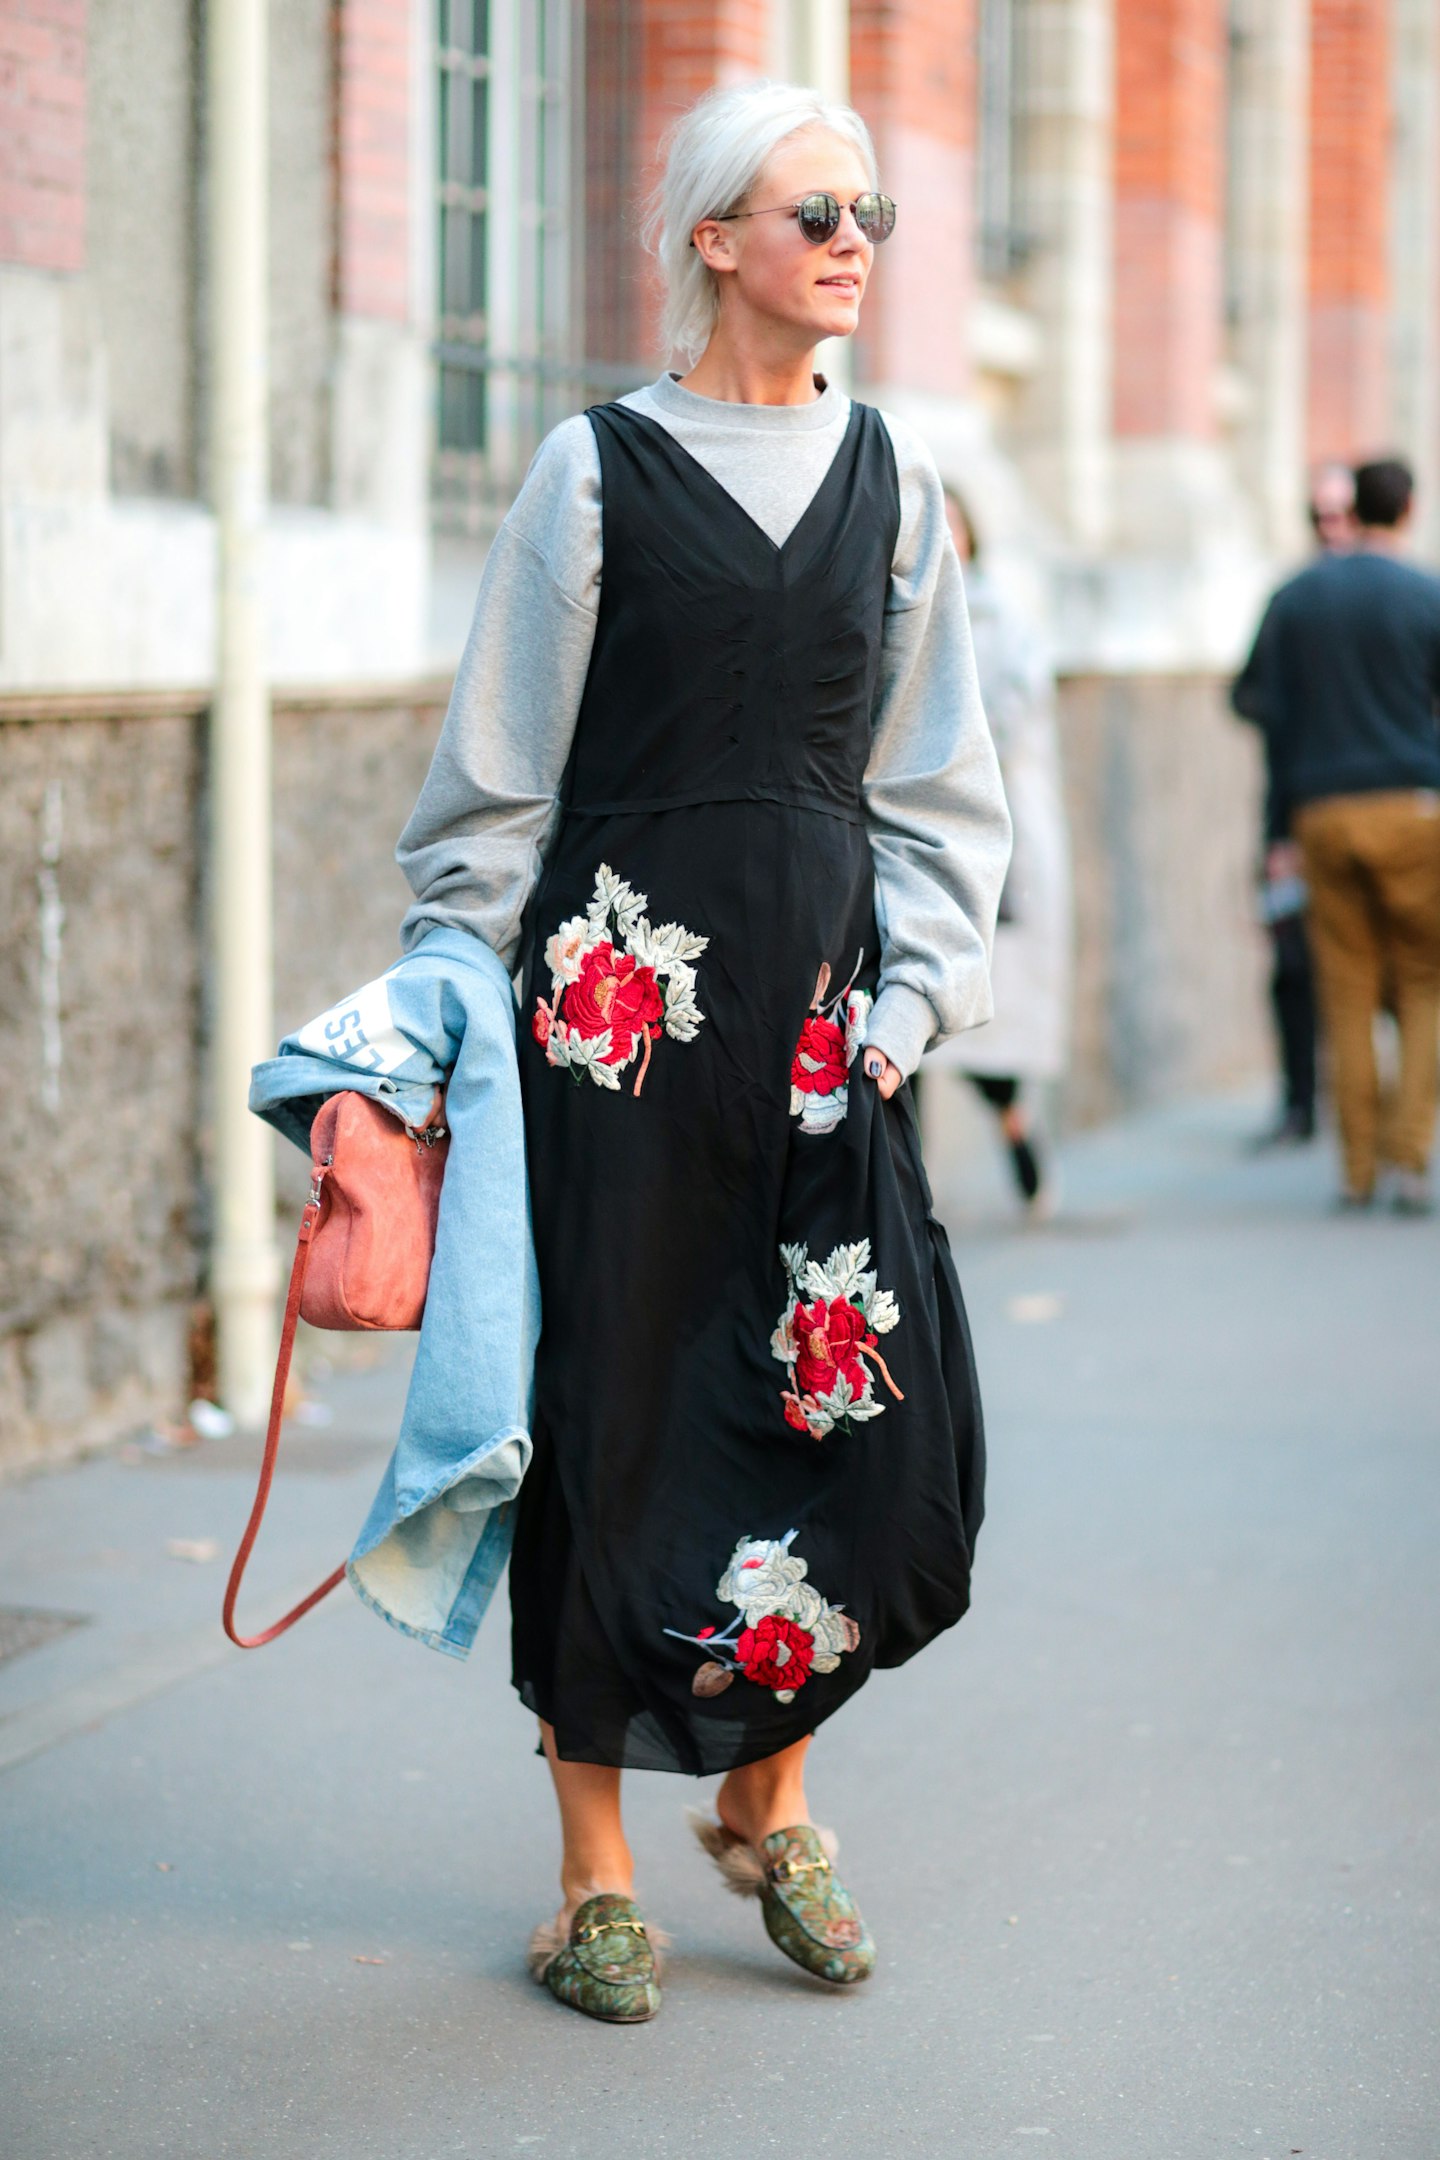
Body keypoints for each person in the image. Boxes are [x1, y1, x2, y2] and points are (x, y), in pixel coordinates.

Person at [395, 80, 1010, 2021]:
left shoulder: (898, 484)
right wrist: (433, 1020)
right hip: (615, 1032)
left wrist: (910, 1009)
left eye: (873, 211)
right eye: (812, 208)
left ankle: (768, 1792)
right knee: (618, 1416)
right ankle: (595, 1866)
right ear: (711, 238)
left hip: (830, 1037)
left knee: (861, 1429)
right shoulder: (591, 478)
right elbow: (494, 787)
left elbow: (940, 785)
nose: (853, 239)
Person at [1232, 456, 1440, 1212]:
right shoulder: (1427, 595)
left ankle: (1356, 1171)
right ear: (1409, 509)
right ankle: (1410, 1156)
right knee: (1423, 985)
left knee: (1346, 993)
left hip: (1321, 813)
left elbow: (1251, 697)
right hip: (1415, 808)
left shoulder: (1297, 598)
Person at [920, 487, 1071, 1211]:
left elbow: (1010, 716)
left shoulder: (1003, 617)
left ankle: (1014, 1122)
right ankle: (908, 1187)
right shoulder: (894, 603)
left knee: (977, 1015)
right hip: (906, 836)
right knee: (903, 1015)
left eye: (954, 525)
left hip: (985, 835)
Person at [1231, 462, 1356, 1150]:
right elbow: (1247, 694)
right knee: (1295, 967)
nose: (1331, 529)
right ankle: (1302, 1100)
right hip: (1295, 815)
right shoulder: (1292, 602)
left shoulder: (1397, 596)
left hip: (1367, 813)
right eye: (1320, 517)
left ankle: (1365, 1107)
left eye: (1342, 515)